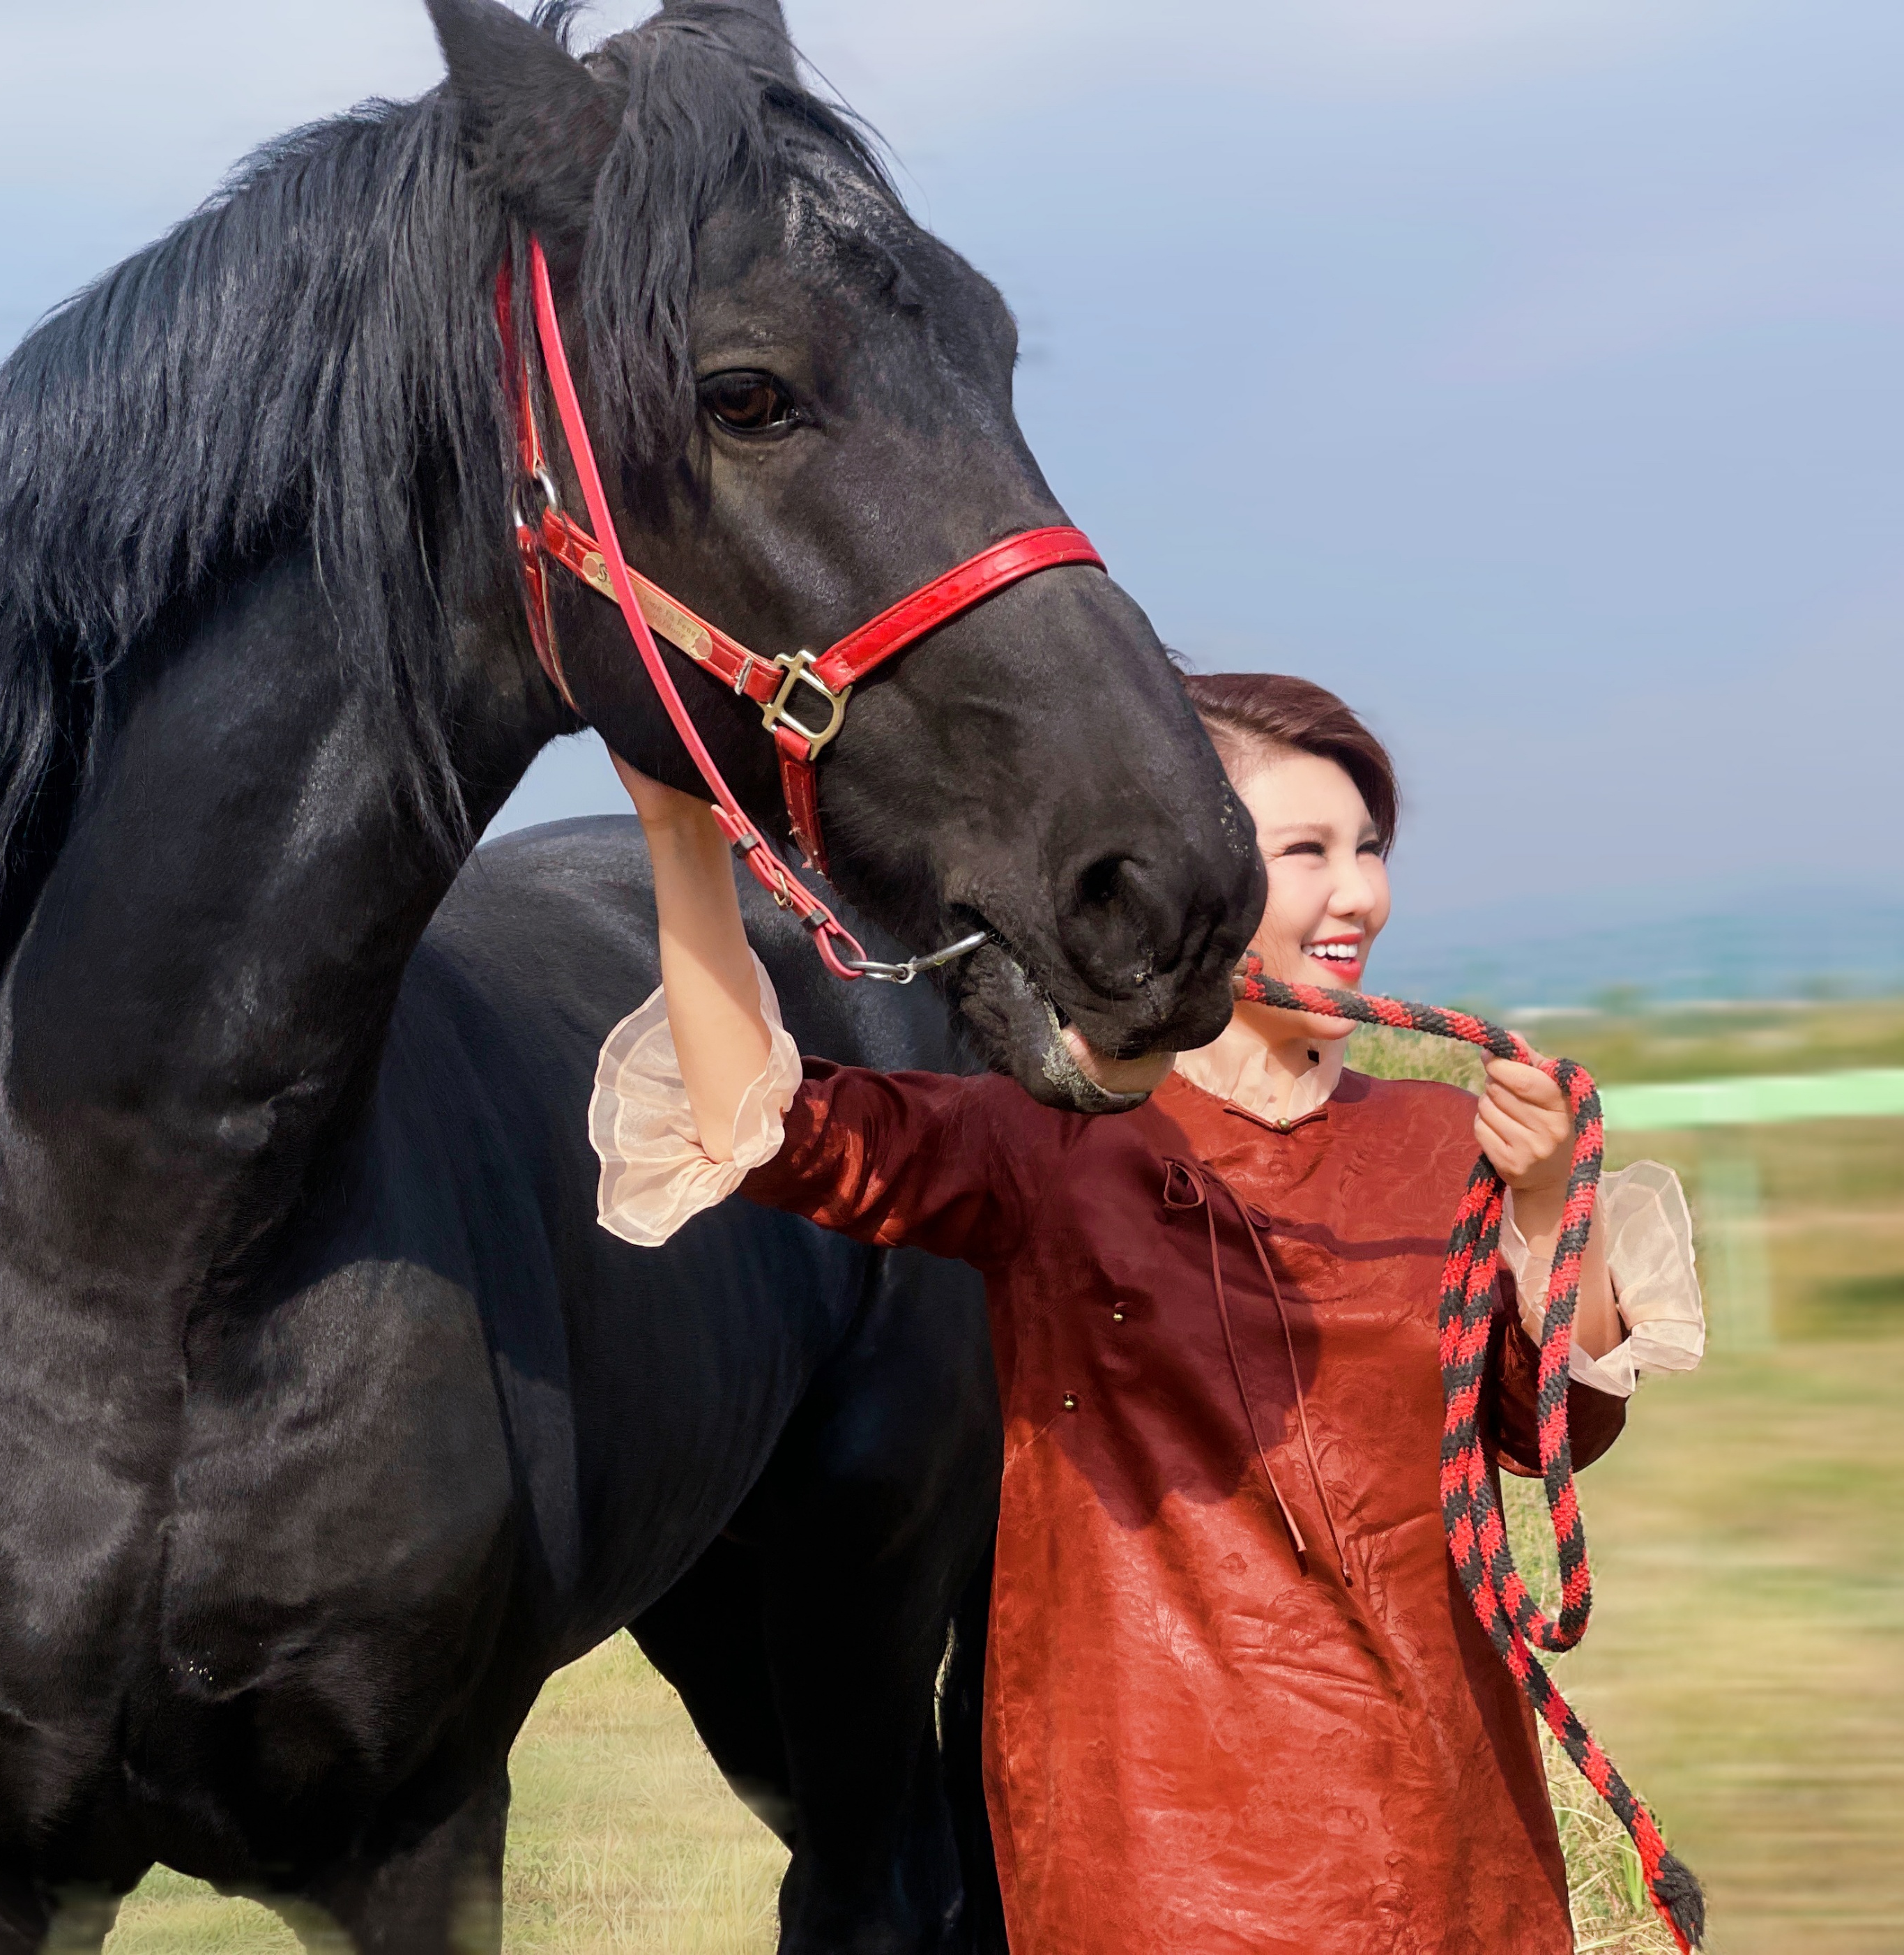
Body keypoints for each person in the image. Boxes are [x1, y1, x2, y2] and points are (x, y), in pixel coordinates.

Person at [589, 672, 1704, 1954]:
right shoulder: (1049, 1140)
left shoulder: (1451, 1143)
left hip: (1452, 1825)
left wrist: (1551, 1208)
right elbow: (764, 1134)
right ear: (1198, 878)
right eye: (1308, 854)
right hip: (1159, 1845)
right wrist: (682, 847)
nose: (1360, 893)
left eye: (1370, 850)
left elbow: (1546, 1435)